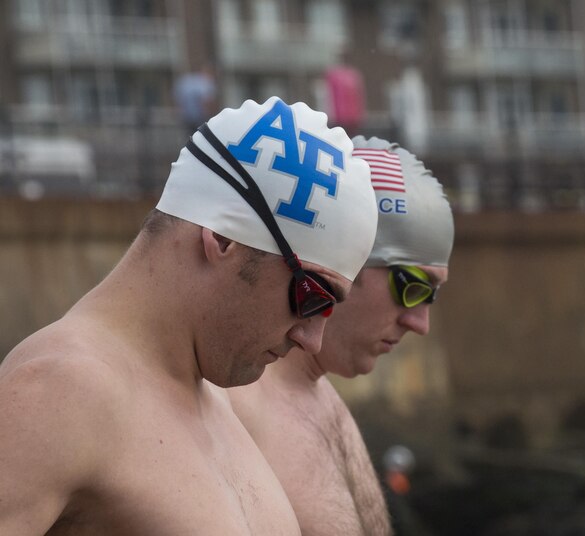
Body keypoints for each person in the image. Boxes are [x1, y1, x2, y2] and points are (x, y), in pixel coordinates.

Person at [0, 97, 378, 535]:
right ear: (222, 238)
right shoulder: (58, 390)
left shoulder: (216, 399)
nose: (313, 340)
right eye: (311, 297)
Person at [228, 136, 454, 535]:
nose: (420, 323)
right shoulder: (234, 411)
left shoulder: (325, 402)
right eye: (412, 286)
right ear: (347, 259)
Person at [174, 64, 218, 135]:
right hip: (200, 117)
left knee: (190, 136)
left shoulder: (186, 81)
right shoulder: (206, 83)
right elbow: (207, 101)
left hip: (187, 116)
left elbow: (179, 99)